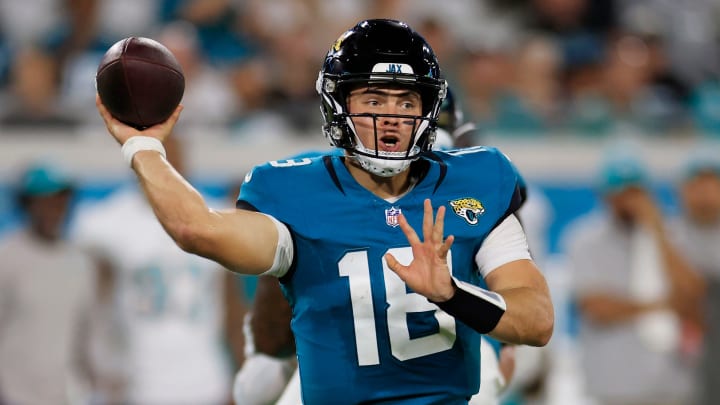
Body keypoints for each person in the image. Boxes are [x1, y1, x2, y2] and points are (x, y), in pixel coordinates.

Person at [97, 18, 554, 404]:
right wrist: (144, 146)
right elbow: (196, 230)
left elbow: (535, 319)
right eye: (374, 100)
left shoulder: (475, 180)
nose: (391, 117)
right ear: (339, 104)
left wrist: (452, 294)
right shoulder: (294, 192)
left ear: (430, 109)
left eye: (406, 101)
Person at [70, 135, 246, 405]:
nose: (169, 168)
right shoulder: (105, 223)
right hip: (138, 385)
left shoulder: (217, 217)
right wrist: (103, 372)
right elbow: (94, 310)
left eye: (174, 157)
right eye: (159, 158)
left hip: (207, 379)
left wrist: (240, 377)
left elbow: (232, 308)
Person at [562, 150, 698, 405]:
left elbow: (692, 295)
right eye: (620, 193)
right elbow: (597, 307)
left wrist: (657, 231)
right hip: (615, 383)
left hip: (673, 382)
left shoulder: (673, 233)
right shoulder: (584, 239)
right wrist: (661, 305)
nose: (628, 202)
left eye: (634, 193)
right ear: (605, 196)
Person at [0, 162, 97, 404]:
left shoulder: (80, 261)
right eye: (44, 201)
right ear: (27, 205)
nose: (54, 209)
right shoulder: (7, 258)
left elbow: (83, 331)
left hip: (67, 395)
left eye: (60, 200)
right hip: (16, 395)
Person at [671, 146, 720, 405]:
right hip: (673, 368)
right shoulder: (667, 236)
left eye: (711, 184)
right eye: (696, 186)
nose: (704, 194)